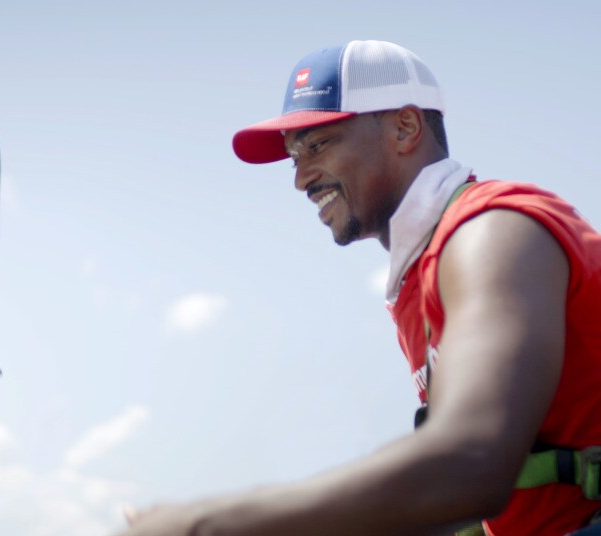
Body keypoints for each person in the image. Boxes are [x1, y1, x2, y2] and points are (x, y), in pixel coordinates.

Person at [117, 40, 601, 535]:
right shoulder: (423, 270)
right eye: (293, 155)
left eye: (319, 144)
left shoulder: (491, 232)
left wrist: (203, 524)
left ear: (405, 127)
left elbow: (471, 464)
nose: (300, 178)